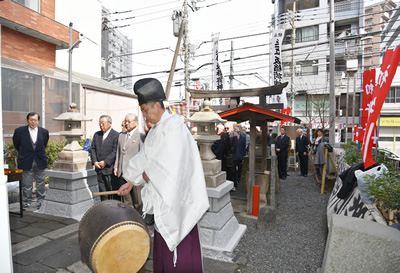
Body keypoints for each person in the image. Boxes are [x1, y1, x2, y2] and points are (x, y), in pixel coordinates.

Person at [118, 78, 209, 272]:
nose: (144, 114)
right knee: (163, 256)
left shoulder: (175, 127)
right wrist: (131, 181)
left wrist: (147, 174)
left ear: (157, 105)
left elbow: (170, 167)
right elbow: (145, 158)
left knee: (180, 258)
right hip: (163, 205)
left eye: (144, 109)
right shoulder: (156, 131)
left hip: (177, 207)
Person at [13, 112, 49, 209]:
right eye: (31, 120)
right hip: (25, 160)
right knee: (26, 183)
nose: (33, 122)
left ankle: (41, 201)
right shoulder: (19, 131)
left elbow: (44, 145)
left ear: (38, 121)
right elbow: (17, 144)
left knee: (41, 182)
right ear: (27, 120)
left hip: (39, 160)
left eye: (35, 120)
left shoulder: (44, 132)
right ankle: (26, 202)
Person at [114, 113, 144, 211]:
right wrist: (116, 166)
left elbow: (142, 156)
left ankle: (139, 220)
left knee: (137, 200)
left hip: (135, 174)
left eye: (129, 121)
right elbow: (118, 153)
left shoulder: (140, 136)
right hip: (123, 171)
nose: (127, 123)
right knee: (127, 200)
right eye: (125, 121)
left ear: (136, 122)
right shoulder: (121, 136)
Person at [90, 115, 119, 201]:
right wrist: (95, 161)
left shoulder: (116, 135)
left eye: (103, 123)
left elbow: (115, 151)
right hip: (99, 169)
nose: (101, 125)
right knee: (102, 192)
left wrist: (105, 162)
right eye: (100, 123)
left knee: (112, 192)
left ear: (110, 123)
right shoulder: (97, 135)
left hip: (110, 169)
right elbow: (92, 149)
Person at [223, 122, 239, 191]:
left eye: (227, 128)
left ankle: (234, 185)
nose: (226, 130)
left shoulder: (234, 135)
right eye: (225, 128)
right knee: (227, 172)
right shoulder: (225, 135)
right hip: (227, 156)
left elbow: (234, 146)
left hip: (233, 157)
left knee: (233, 171)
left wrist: (230, 152)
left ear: (231, 128)